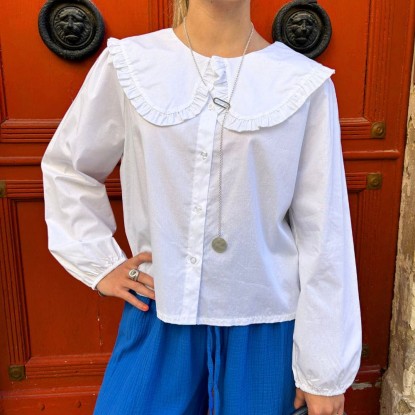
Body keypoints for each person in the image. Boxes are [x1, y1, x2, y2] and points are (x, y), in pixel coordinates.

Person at [41, 0, 362, 414]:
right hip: (160, 313)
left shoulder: (303, 84)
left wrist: (323, 370)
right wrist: (100, 263)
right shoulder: (130, 64)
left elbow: (324, 233)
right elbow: (69, 167)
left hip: (266, 330)